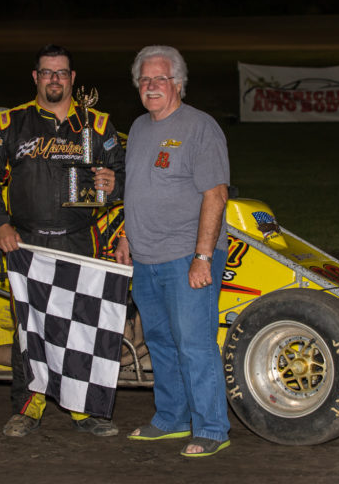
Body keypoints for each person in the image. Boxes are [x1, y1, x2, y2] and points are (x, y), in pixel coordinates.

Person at [0, 44, 125, 438]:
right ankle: (28, 407)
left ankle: (83, 408)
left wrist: (114, 183)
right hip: (25, 242)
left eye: (61, 72)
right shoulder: (12, 123)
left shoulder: (99, 124)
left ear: (73, 79)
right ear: (35, 77)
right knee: (30, 326)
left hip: (79, 240)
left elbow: (124, 177)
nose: (54, 78)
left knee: (81, 326)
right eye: (47, 72)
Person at [115, 45, 231, 457]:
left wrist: (202, 257)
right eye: (144, 80)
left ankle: (213, 428)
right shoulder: (140, 128)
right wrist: (127, 236)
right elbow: (138, 191)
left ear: (177, 83)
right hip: (145, 258)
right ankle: (171, 419)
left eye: (159, 79)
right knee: (161, 343)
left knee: (195, 344)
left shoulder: (200, 127)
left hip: (187, 257)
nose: (151, 86)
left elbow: (215, 195)